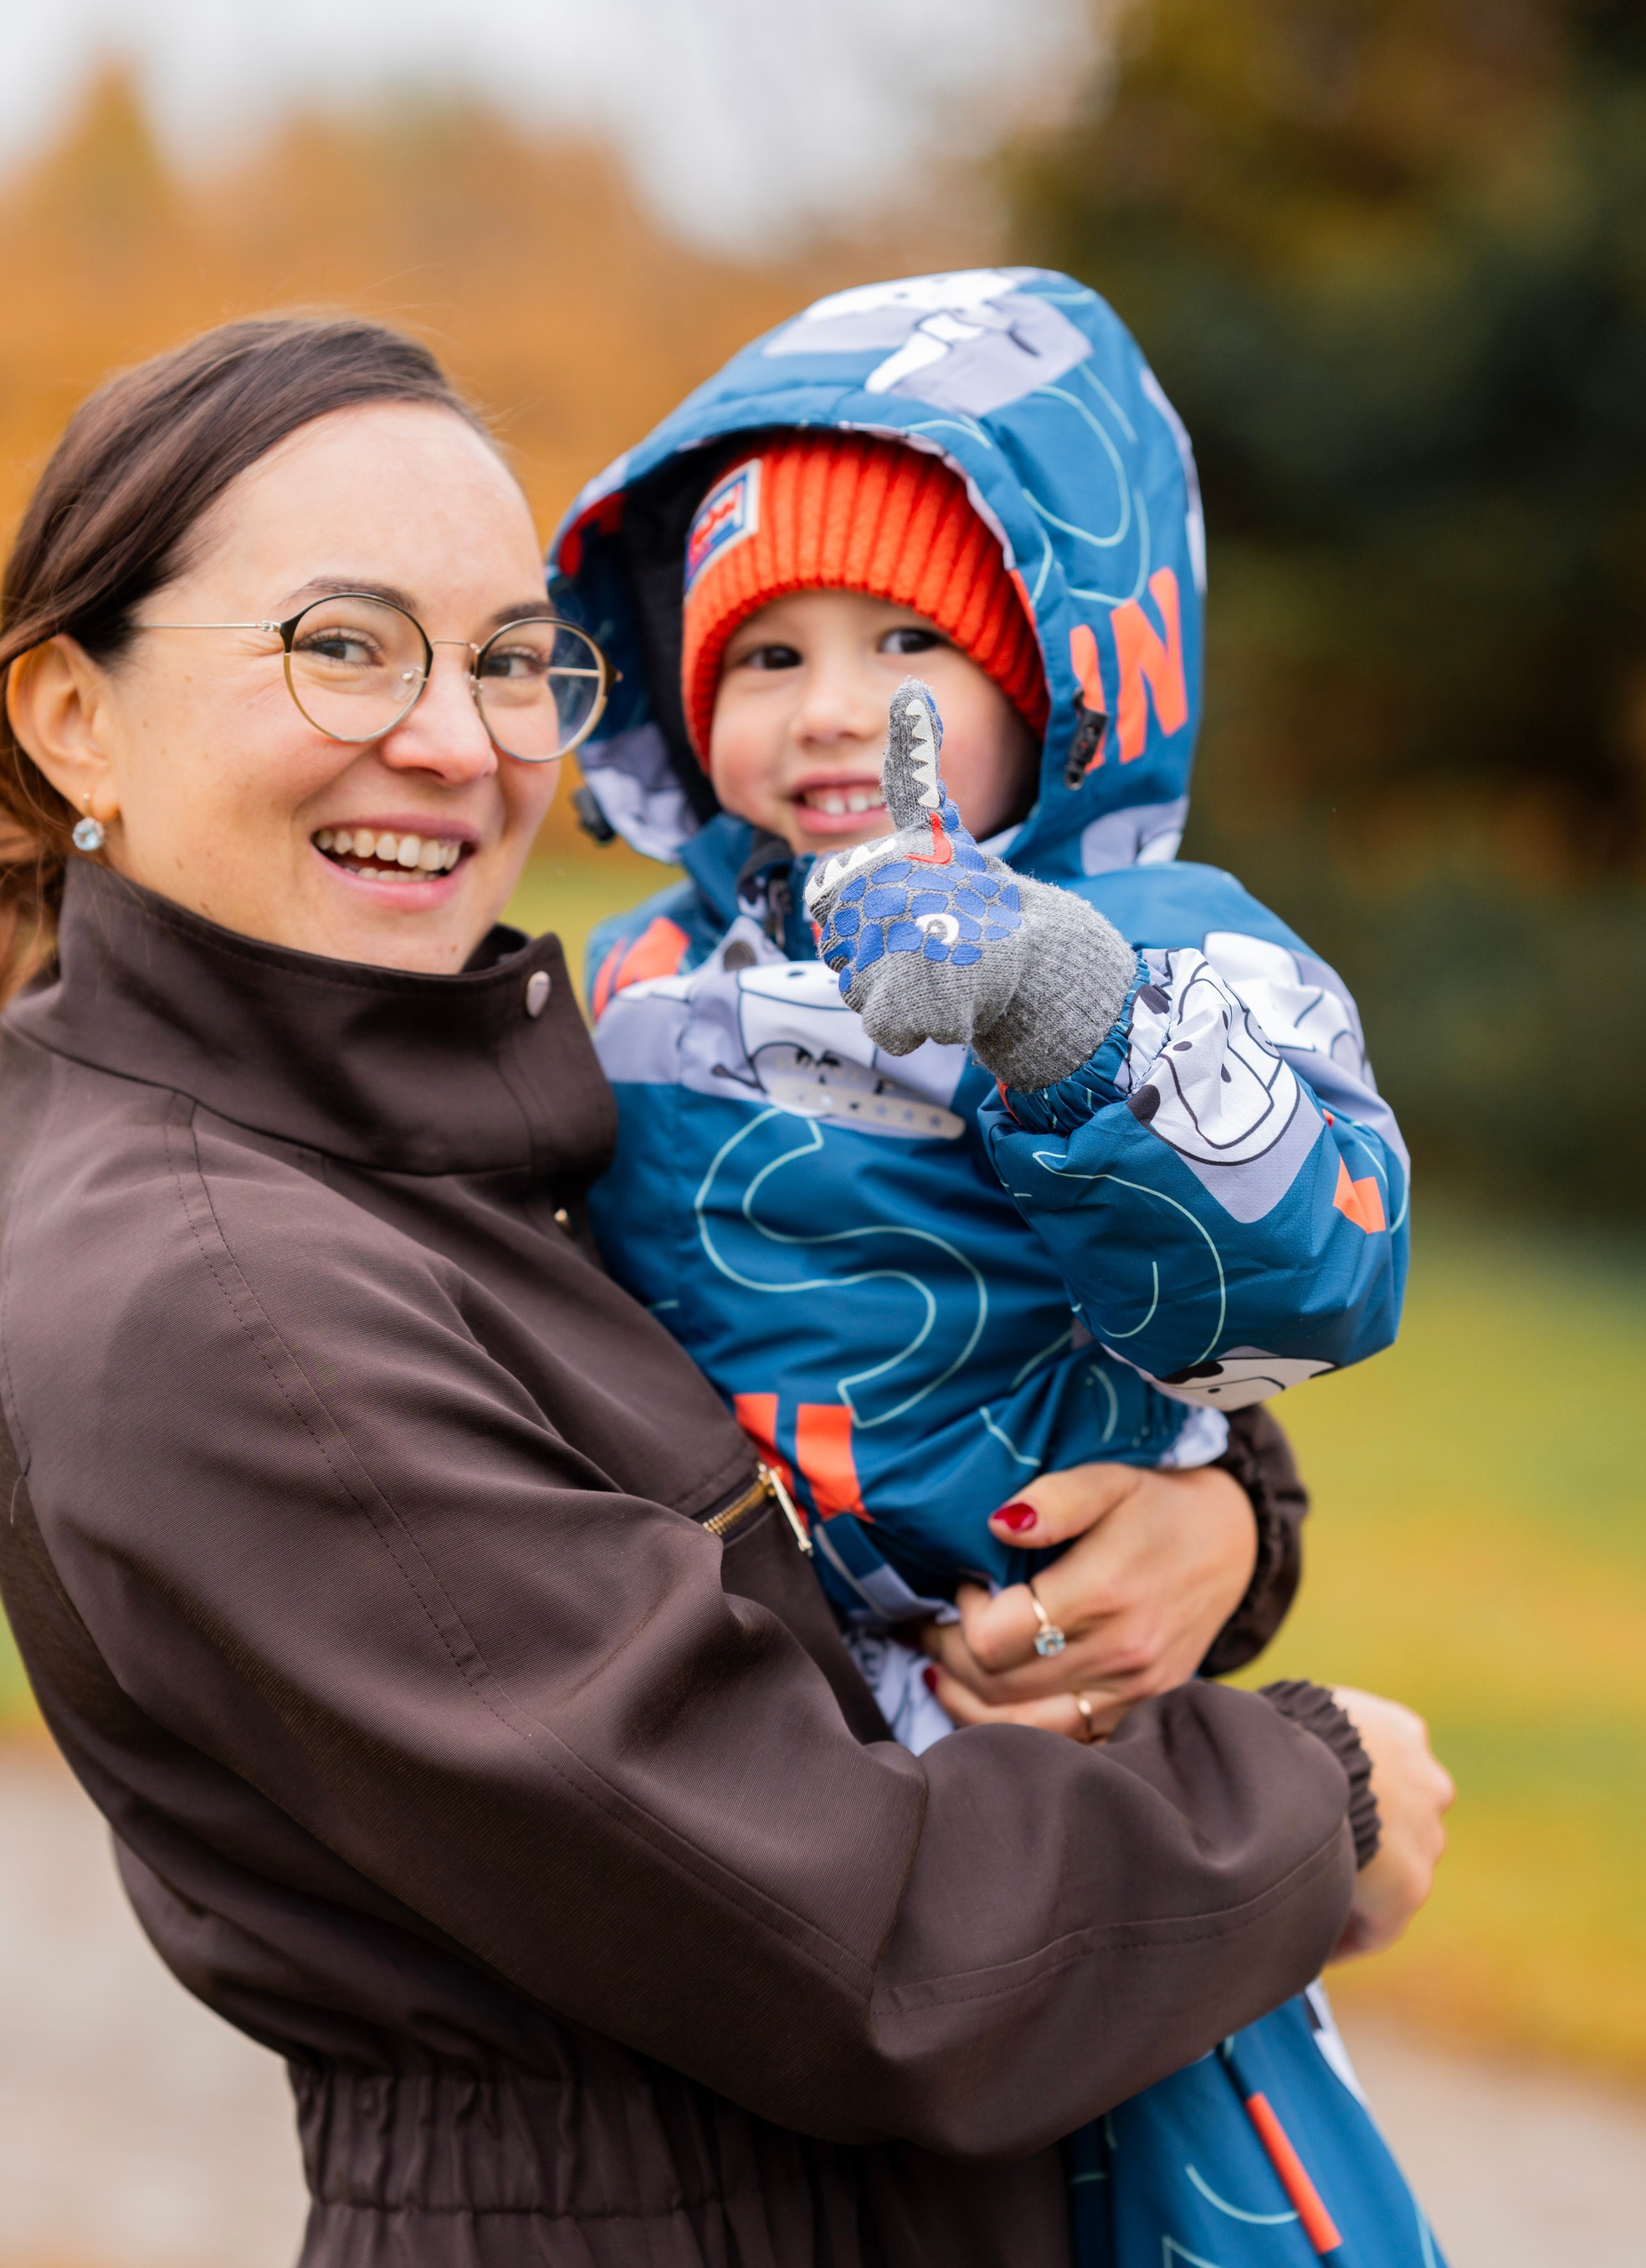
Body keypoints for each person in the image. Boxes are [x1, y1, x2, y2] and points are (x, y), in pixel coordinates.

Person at [0, 309, 1451, 2268]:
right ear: (73, 717)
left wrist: (1223, 1521)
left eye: (514, 655)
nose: (460, 738)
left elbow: (878, 1430)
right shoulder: (233, 1301)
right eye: (342, 645)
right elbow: (856, 1928)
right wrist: (1310, 1798)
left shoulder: (440, 1128)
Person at [556, 267, 1408, 1750]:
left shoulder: (1163, 948)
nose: (829, 708)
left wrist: (1063, 1020)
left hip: (1030, 1690)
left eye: (907, 646)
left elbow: (1315, 1283)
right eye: (770, 655)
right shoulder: (643, 972)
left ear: (1053, 688)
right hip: (730, 1697)